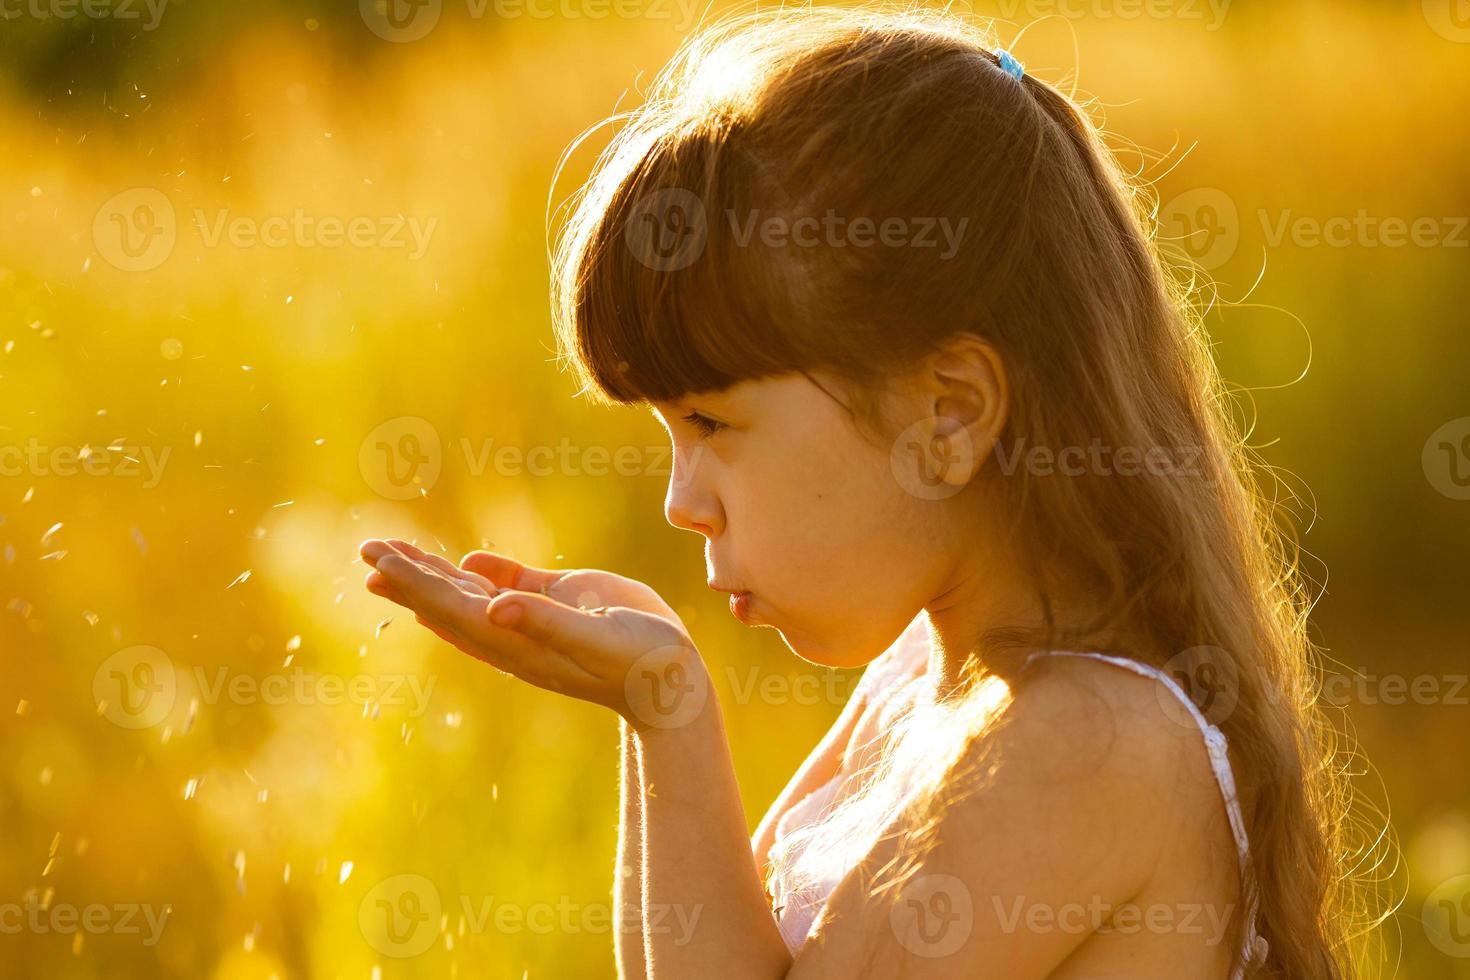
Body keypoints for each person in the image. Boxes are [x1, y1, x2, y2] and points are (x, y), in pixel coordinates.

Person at [362, 7, 1365, 976]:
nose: (682, 500)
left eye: (711, 423)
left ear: (950, 415)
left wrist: (673, 713)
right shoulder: (922, 682)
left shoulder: (1088, 742)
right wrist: (657, 703)